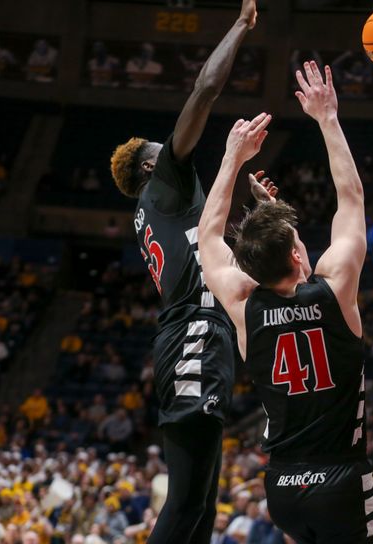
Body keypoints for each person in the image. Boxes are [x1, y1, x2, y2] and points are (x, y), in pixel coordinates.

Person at [198, 60, 373, 543]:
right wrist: (328, 118)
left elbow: (209, 238)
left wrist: (231, 160)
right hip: (340, 478)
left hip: (282, 485)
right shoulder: (334, 287)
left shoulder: (243, 302)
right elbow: (352, 198)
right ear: (299, 255)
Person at [108, 1, 259, 542]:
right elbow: (204, 92)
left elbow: (217, 247)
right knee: (185, 504)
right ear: (152, 166)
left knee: (200, 508)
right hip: (195, 330)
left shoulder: (168, 209)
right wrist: (239, 26)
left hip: (200, 330)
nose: (174, 149)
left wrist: (261, 212)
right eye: (164, 149)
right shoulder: (162, 184)